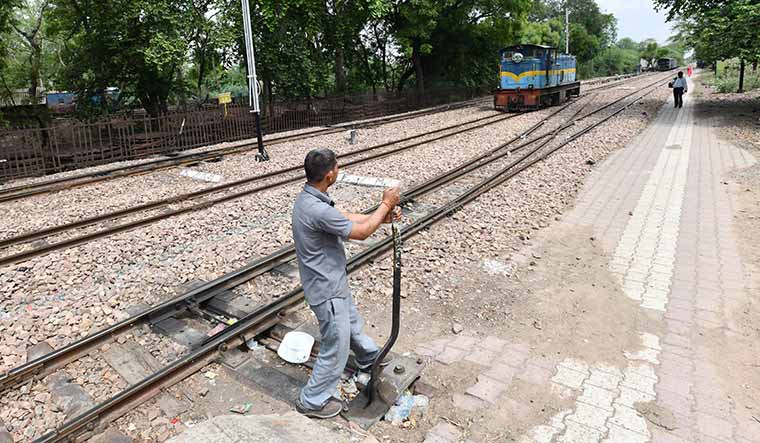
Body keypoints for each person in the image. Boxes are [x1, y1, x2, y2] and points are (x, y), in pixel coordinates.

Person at [291, 148, 401, 419]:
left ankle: (368, 357)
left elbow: (345, 218)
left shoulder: (309, 198)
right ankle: (312, 400)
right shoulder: (317, 209)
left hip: (330, 281)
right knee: (336, 347)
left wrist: (379, 218)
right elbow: (361, 233)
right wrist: (385, 205)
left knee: (350, 323)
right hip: (326, 289)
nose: (338, 170)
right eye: (337, 168)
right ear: (330, 175)